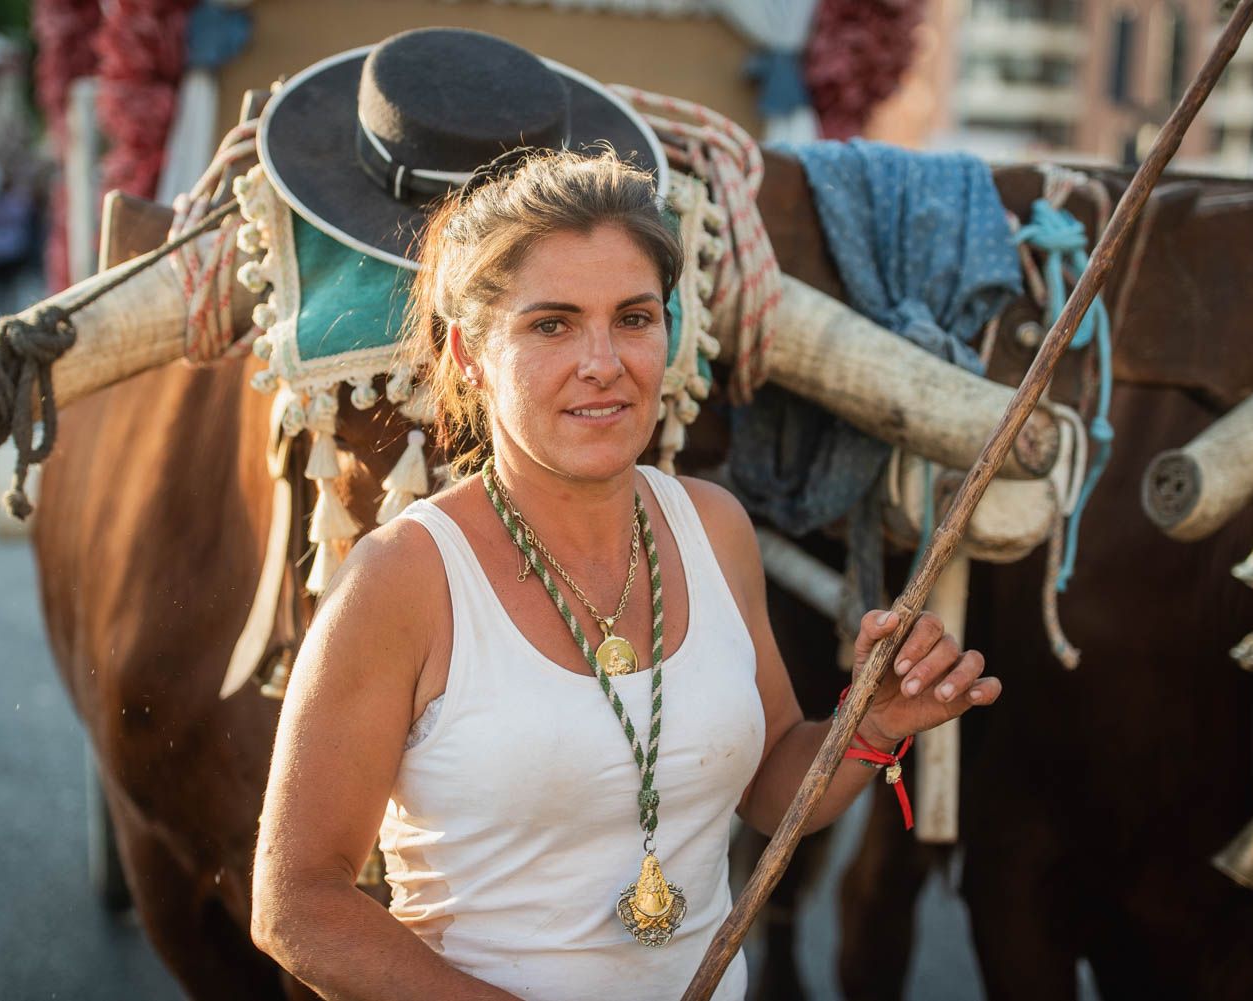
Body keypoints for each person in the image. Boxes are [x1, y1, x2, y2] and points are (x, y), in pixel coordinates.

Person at [251, 145, 1002, 1000]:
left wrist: (867, 725)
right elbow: (294, 903)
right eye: (552, 324)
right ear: (468, 353)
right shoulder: (403, 580)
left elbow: (768, 790)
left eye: (635, 318)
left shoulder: (713, 528)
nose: (604, 362)